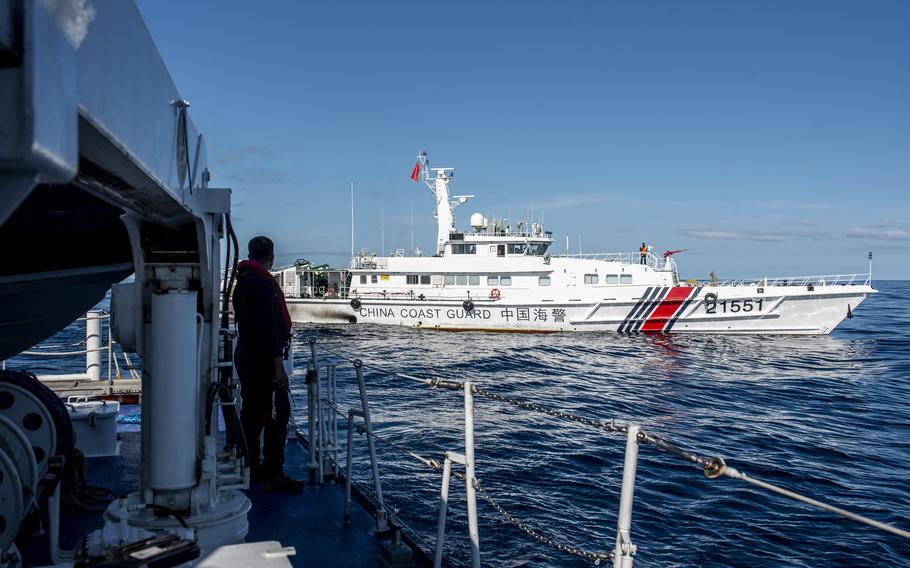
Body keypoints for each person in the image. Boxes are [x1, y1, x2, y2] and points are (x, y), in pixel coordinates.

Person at [233, 236, 303, 492]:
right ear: (271, 256)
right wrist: (277, 364)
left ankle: (252, 468)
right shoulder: (261, 284)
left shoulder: (244, 281)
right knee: (276, 413)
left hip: (248, 355)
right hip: (261, 359)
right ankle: (270, 471)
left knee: (253, 413)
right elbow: (266, 327)